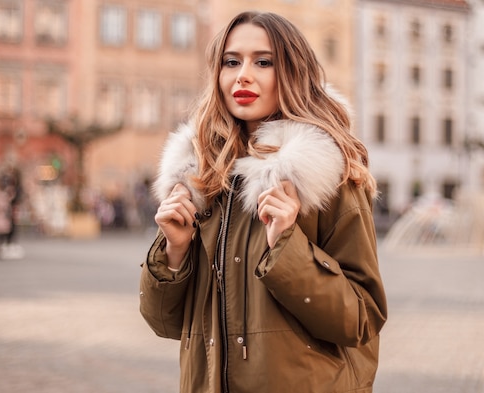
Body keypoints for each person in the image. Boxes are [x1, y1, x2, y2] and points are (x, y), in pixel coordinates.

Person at [139, 11, 388, 393]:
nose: (243, 75)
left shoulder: (327, 177)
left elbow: (362, 320)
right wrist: (174, 250)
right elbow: (164, 323)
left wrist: (288, 247)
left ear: (292, 72)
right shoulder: (201, 179)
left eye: (263, 62)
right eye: (231, 61)